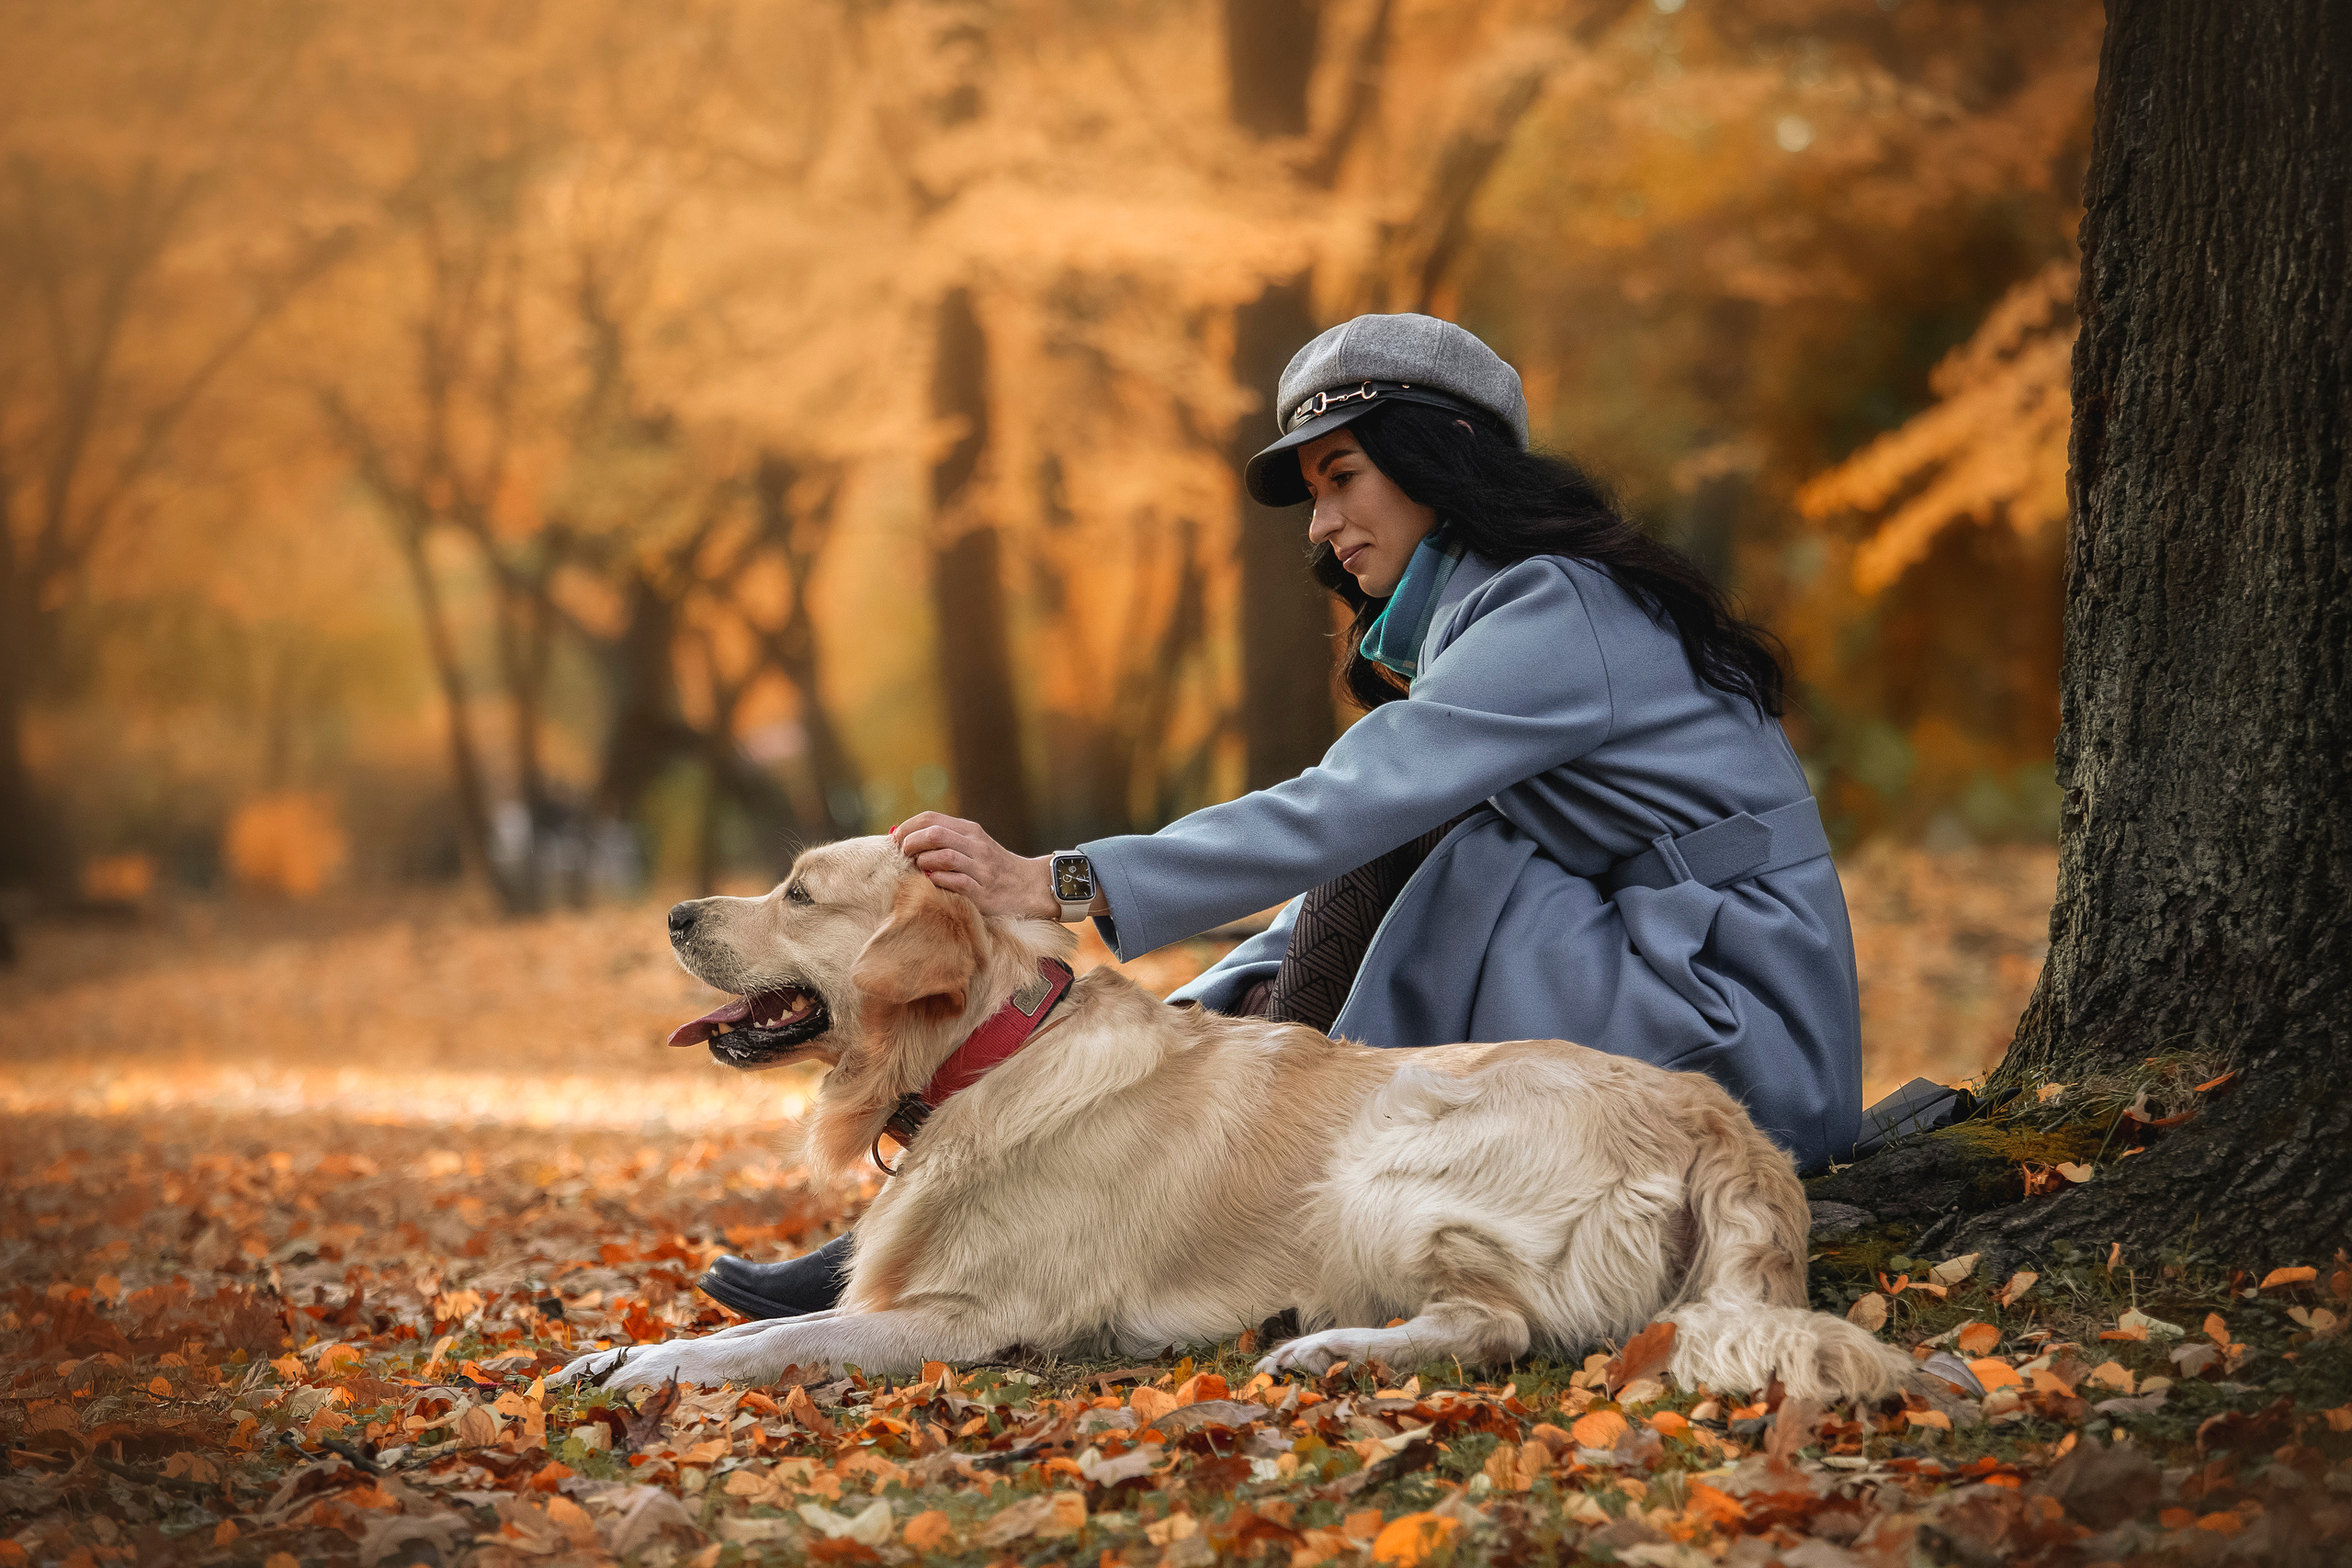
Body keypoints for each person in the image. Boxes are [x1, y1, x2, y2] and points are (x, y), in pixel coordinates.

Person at [698, 312, 1864, 1322]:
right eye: (1313, 494)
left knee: (1445, 843)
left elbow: (1343, 806)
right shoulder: (1503, 614)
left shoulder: (1557, 607)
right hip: (1648, 981)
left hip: (1729, 1028)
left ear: (1441, 459)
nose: (1319, 527)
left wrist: (1054, 879)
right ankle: (1016, 1178)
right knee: (1413, 846)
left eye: (1342, 477)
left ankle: (1221, 1150)